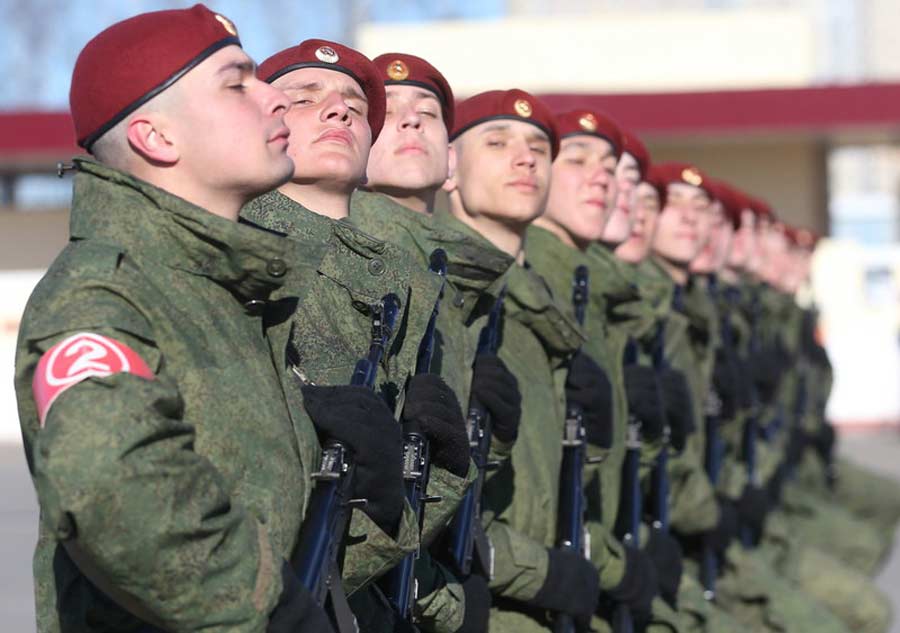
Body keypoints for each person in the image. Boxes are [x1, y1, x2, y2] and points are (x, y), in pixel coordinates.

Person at [15, 6, 334, 631]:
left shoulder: (232, 293)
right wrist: (268, 607)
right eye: (237, 82)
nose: (273, 97)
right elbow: (111, 490)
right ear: (156, 138)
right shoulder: (105, 291)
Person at [240, 39, 481, 629]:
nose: (339, 109)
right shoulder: (242, 268)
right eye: (305, 97)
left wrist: (446, 469)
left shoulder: (401, 288)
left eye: (354, 102)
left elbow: (379, 530)